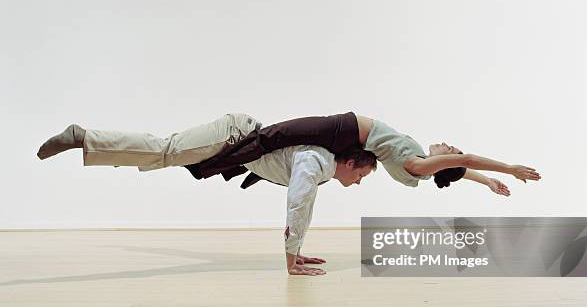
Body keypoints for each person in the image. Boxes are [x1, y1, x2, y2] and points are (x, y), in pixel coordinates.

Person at [36, 113, 378, 276]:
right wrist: (291, 259)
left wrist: (297, 251)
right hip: (234, 135)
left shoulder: (320, 167)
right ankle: (82, 137)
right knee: (166, 150)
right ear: (351, 162)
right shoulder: (317, 162)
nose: (360, 182)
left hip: (237, 138)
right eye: (362, 174)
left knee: (163, 154)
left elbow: (302, 205)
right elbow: (298, 204)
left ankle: (97, 147)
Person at [184, 112, 541, 195]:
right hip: (345, 138)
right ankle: (225, 166)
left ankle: (205, 166)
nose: (448, 145)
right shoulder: (421, 169)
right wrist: (487, 181)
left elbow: (462, 162)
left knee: (269, 138)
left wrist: (508, 168)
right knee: (272, 148)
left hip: (343, 129)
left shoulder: (417, 165)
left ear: (441, 164)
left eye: (451, 150)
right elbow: (461, 169)